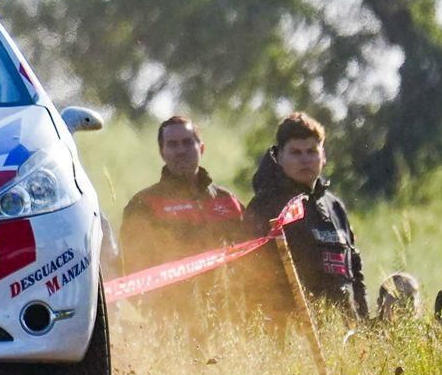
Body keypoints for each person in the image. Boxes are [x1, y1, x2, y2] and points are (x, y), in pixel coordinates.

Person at [119, 116, 246, 334]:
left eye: (188, 143)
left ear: (202, 148)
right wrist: (156, 313)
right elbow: (130, 266)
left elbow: (253, 259)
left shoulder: (228, 201)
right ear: (162, 152)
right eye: (173, 144)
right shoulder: (144, 204)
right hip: (170, 325)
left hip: (227, 323)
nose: (181, 151)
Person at [244, 112, 370, 322]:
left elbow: (355, 270)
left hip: (342, 328)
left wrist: (363, 323)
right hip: (289, 329)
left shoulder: (334, 206)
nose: (305, 160)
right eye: (295, 152)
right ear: (279, 156)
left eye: (311, 151)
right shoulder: (264, 206)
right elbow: (249, 275)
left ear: (323, 156)